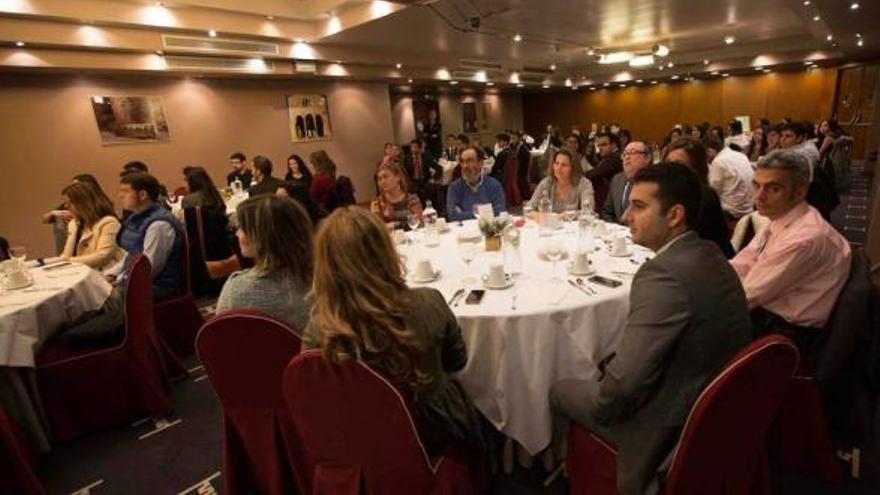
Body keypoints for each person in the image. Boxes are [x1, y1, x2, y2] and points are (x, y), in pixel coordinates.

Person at [550, 163, 752, 495]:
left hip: (668, 426)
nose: (626, 216)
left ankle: (568, 473)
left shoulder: (663, 275)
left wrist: (603, 400)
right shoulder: (709, 250)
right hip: (717, 407)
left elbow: (621, 388)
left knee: (560, 387)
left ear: (674, 215)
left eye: (639, 206)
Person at [303, 206, 485, 456]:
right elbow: (457, 361)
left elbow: (317, 394)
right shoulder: (427, 302)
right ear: (386, 252)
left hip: (358, 445)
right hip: (434, 436)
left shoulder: (318, 329)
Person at [730, 150, 851, 353]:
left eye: (773, 188)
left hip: (786, 334)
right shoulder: (783, 217)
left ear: (799, 192)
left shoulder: (805, 238)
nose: (759, 196)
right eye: (756, 185)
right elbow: (744, 261)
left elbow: (746, 297)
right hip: (769, 310)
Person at [55, 173, 184, 347]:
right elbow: (130, 257)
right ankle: (76, 333)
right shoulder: (135, 218)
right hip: (138, 281)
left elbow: (148, 268)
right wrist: (110, 274)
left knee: (91, 297)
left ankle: (100, 342)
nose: (119, 195)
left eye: (125, 191)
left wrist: (119, 280)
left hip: (160, 286)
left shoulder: (159, 224)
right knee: (91, 290)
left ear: (143, 195)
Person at [216, 195, 313, 330]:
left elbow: (220, 336)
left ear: (261, 236)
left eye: (241, 228)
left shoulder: (236, 289)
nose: (237, 234)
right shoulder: (324, 281)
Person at [664, 138, 735, 258]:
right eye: (668, 163)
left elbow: (685, 243)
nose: (670, 169)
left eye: (679, 164)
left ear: (695, 168)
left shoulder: (704, 197)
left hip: (710, 264)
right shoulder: (671, 193)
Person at [59, 182, 124, 271]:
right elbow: (66, 254)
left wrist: (67, 262)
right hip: (78, 271)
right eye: (65, 203)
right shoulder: (74, 224)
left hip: (103, 275)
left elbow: (102, 257)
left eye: (70, 202)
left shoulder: (109, 223)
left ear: (84, 203)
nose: (66, 206)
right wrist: (56, 263)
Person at [446, 147, 506, 221]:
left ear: (481, 163)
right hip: (465, 230)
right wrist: (486, 211)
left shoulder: (494, 185)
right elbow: (453, 215)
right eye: (462, 162)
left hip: (489, 229)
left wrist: (464, 213)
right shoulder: (454, 187)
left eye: (469, 161)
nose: (465, 166)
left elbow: (500, 211)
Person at [526, 149, 595, 214]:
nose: (559, 168)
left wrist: (564, 216)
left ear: (573, 168)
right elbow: (529, 208)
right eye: (557, 163)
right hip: (549, 225)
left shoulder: (584, 184)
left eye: (564, 165)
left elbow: (589, 211)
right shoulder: (547, 182)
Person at [602, 141, 652, 223]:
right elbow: (607, 212)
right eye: (625, 154)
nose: (627, 157)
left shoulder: (654, 182)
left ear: (647, 158)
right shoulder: (617, 179)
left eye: (633, 152)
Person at [706, 138, 754, 221]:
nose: (706, 158)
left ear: (710, 150)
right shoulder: (740, 155)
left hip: (733, 211)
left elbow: (713, 193)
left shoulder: (718, 161)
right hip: (749, 207)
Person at [371, 163, 423, 230]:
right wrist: (405, 224)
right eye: (379, 179)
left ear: (398, 178)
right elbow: (378, 228)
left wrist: (395, 225)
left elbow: (420, 223)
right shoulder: (376, 203)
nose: (382, 181)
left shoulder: (412, 199)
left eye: (386, 177)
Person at [585, 132, 623, 214]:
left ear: (613, 145)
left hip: (613, 203)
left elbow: (595, 174)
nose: (600, 148)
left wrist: (576, 176)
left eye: (604, 145)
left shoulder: (615, 158)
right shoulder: (608, 158)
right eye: (598, 146)